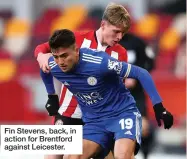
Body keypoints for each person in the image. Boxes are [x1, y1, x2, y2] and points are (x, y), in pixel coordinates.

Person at [40, 29, 174, 159]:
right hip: (95, 122)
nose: (60, 62)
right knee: (71, 156)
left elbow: (141, 73)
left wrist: (159, 107)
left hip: (121, 114)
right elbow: (44, 70)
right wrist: (52, 96)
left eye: (64, 56)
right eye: (56, 57)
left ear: (76, 50)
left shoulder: (100, 62)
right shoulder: (54, 65)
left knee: (121, 156)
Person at [35, 3, 130, 159]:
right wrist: (41, 56)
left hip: (99, 118)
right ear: (103, 25)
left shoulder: (121, 53)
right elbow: (42, 48)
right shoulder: (77, 39)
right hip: (69, 112)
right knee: (52, 156)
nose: (119, 37)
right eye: (116, 32)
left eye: (123, 33)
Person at [119, 33, 156, 159]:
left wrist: (136, 77)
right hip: (114, 94)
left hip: (136, 93)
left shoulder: (138, 42)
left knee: (143, 127)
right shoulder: (105, 44)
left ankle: (145, 154)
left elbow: (150, 62)